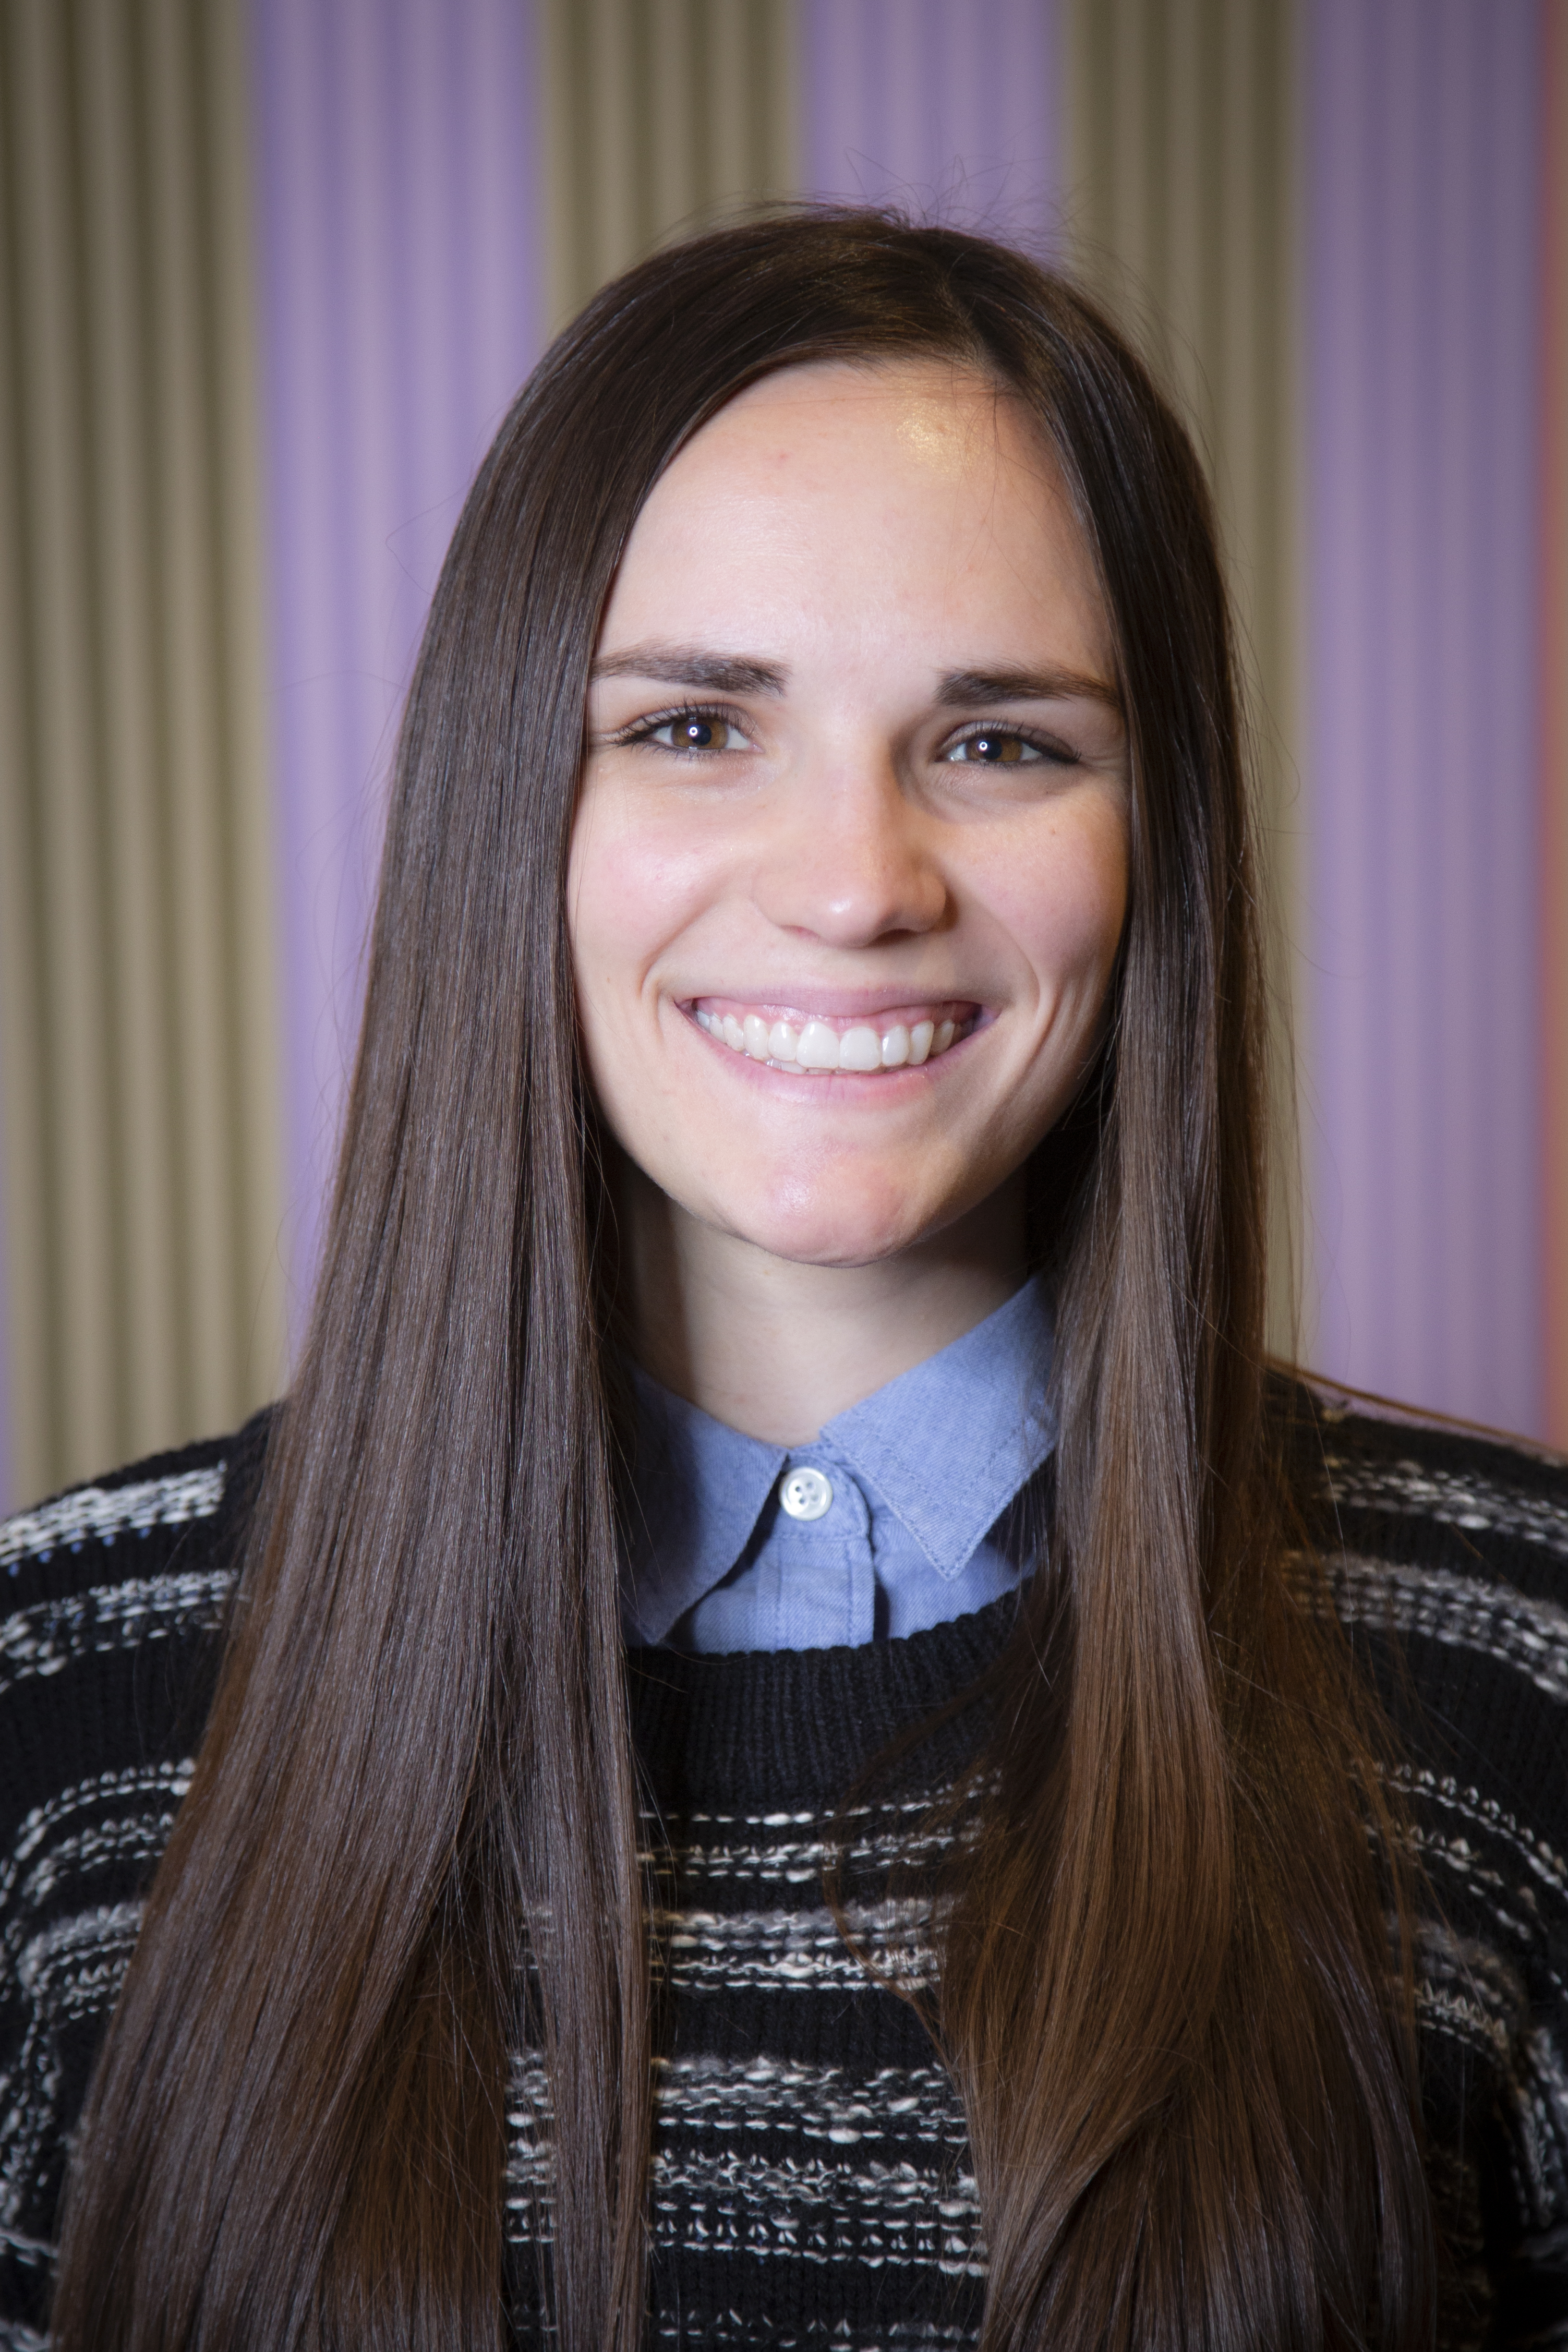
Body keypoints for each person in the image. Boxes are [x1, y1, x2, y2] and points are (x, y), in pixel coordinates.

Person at [0, 209, 1563, 2352]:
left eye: (1000, 740)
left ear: (1156, 842)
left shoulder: (1529, 1668)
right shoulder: (59, 1689)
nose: (853, 885)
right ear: (508, 813)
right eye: (692, 727)